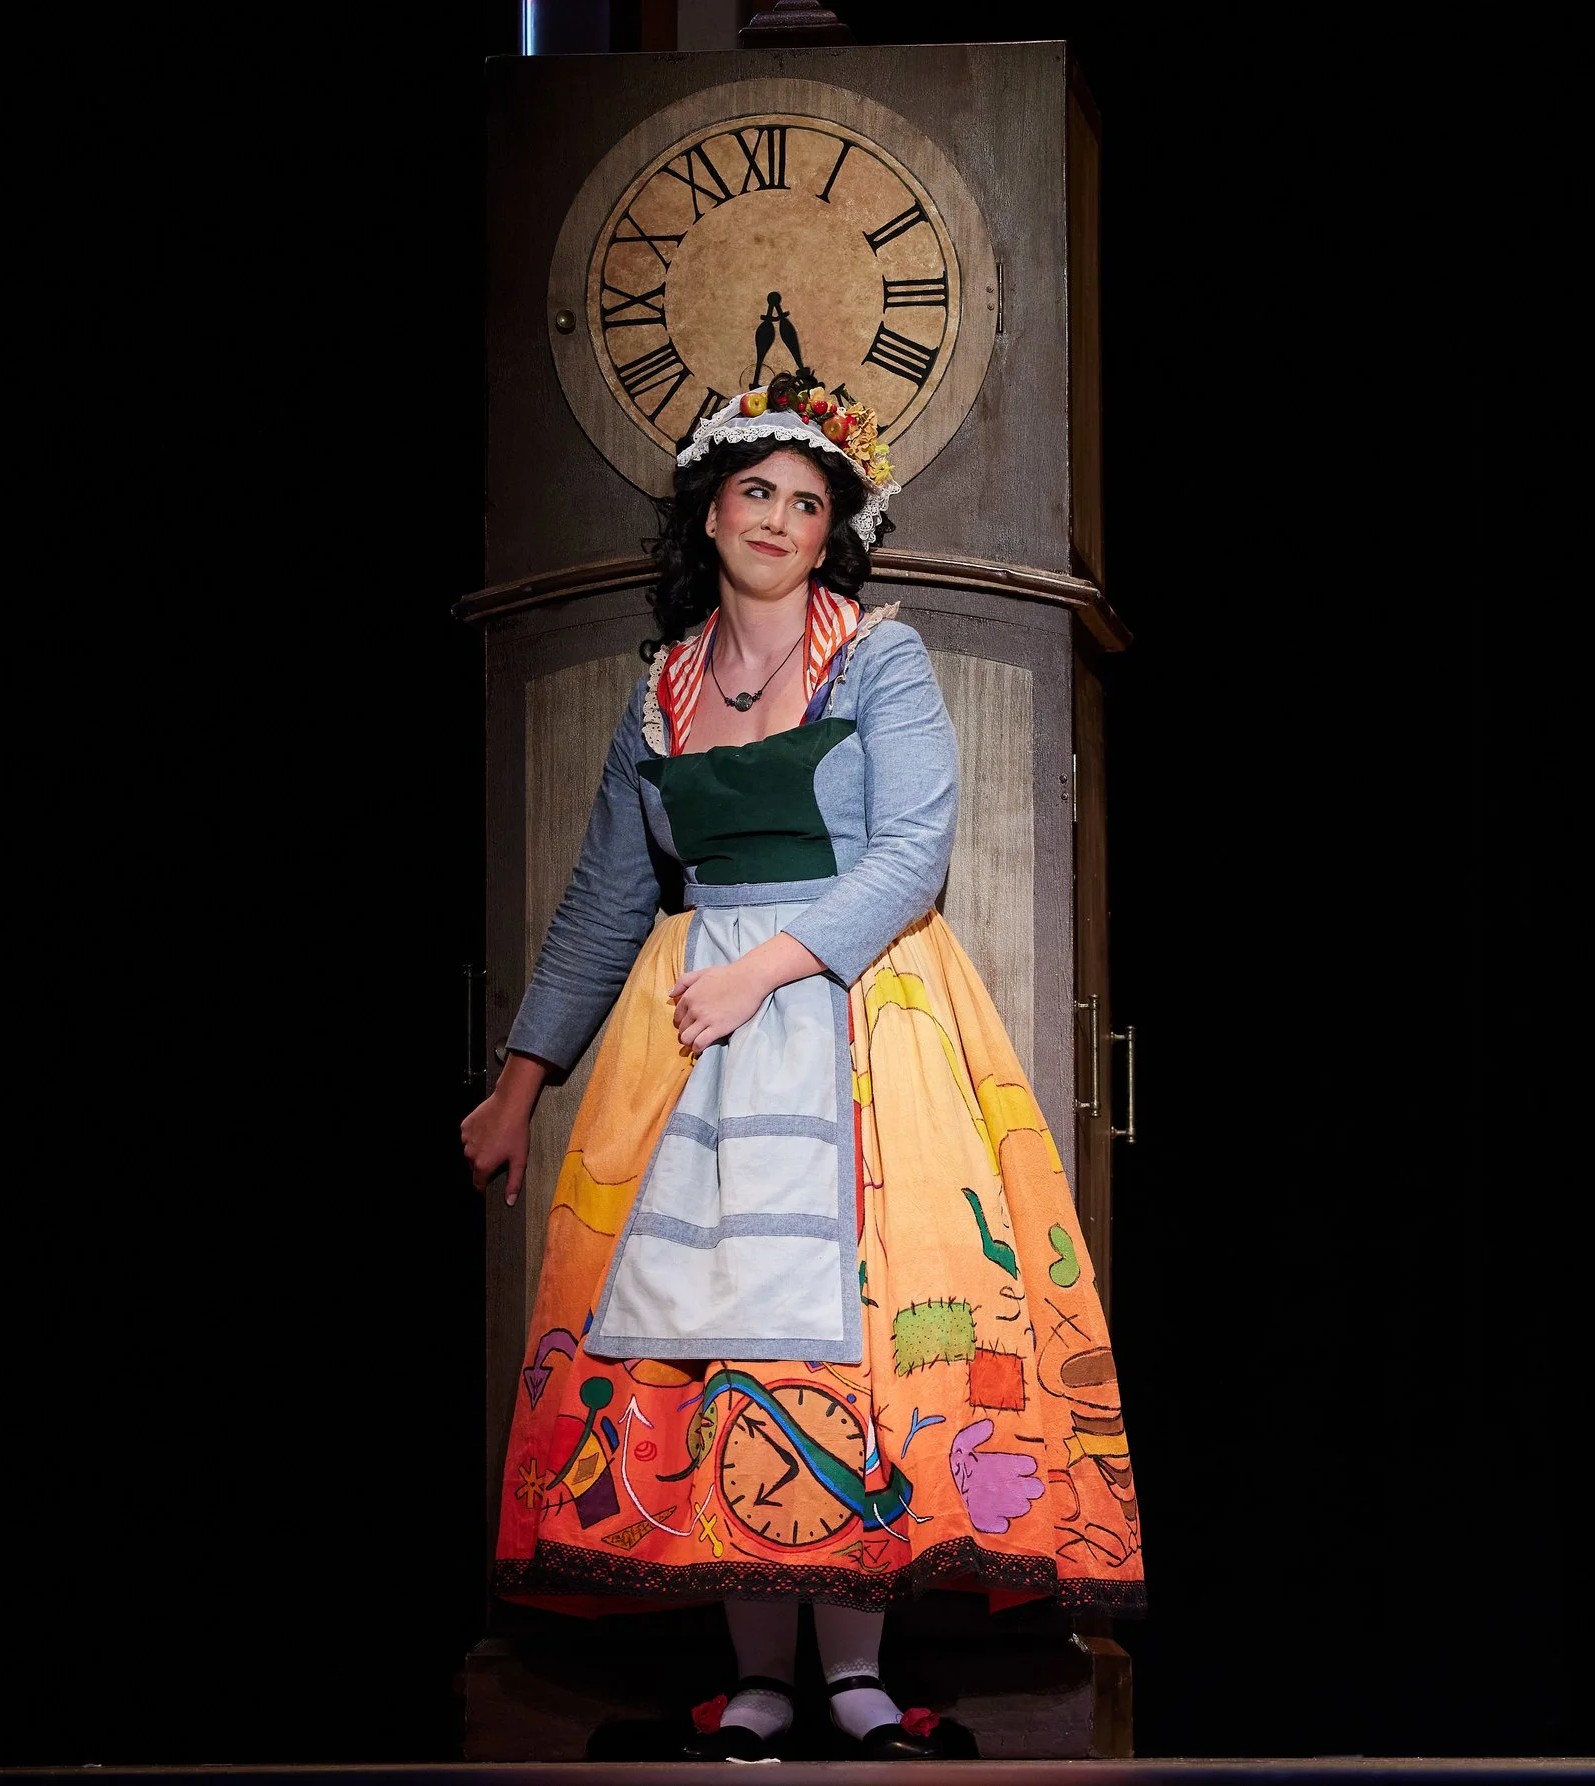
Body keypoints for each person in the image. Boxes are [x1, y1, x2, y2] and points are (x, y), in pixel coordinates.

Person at [461, 369, 1143, 1762]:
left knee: (855, 1332)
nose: (779, 518)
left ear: (835, 530)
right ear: (710, 511)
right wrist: (519, 1085)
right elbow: (604, 899)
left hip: (856, 1010)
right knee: (727, 1337)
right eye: (756, 491)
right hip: (697, 1038)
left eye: (808, 501)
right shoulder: (660, 694)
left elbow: (911, 853)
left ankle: (859, 1674)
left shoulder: (877, 657)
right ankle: (760, 1676)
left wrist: (762, 969)